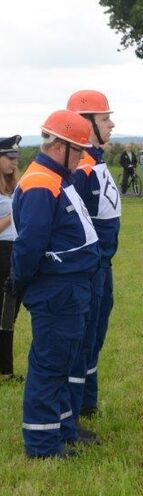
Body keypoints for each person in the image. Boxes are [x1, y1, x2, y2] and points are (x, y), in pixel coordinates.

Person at [12, 110, 100, 458]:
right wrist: (30, 284)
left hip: (68, 288)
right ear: (59, 145)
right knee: (49, 367)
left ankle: (63, 428)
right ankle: (43, 444)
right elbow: (29, 246)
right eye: (77, 150)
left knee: (62, 363)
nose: (81, 158)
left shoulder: (56, 178)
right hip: (57, 291)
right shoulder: (40, 184)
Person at [67, 90, 121, 424]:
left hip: (103, 263)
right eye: (104, 119)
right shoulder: (82, 169)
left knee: (95, 335)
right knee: (85, 336)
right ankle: (77, 404)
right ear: (85, 124)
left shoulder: (96, 162)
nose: (112, 124)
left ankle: (87, 399)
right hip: (91, 266)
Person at [0, 135, 22, 381]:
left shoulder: (13, 187)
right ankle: (5, 371)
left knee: (9, 314)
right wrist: (14, 213)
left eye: (16, 158)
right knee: (4, 313)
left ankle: (5, 369)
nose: (14, 163)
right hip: (2, 252)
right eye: (8, 158)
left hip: (15, 249)